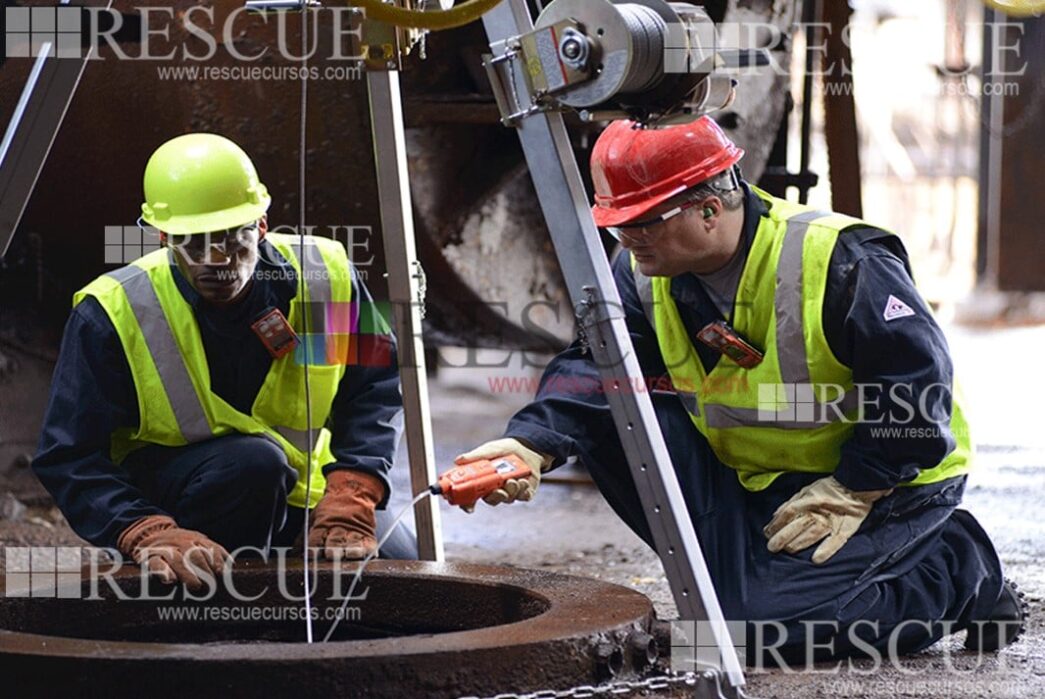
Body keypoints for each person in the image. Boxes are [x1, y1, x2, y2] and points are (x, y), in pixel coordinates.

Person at [456, 117, 1025, 662]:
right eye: (618, 222)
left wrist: (858, 485)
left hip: (884, 481)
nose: (627, 238)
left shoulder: (841, 261)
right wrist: (530, 444)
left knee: (755, 631)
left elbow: (916, 392)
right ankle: (747, 585)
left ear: (709, 208)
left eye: (644, 220)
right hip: (754, 479)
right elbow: (599, 366)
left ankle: (956, 565)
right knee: (620, 417)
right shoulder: (640, 271)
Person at [33, 133, 416, 590]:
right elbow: (69, 455)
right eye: (195, 245)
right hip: (184, 498)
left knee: (401, 573)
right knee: (255, 464)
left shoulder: (323, 274)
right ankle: (222, 619)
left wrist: (353, 488)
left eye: (233, 240)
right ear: (164, 237)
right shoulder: (114, 311)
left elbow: (373, 386)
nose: (219, 262)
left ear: (261, 225)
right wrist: (142, 529)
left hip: (306, 492)